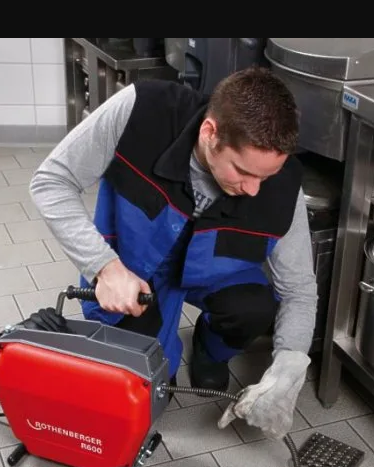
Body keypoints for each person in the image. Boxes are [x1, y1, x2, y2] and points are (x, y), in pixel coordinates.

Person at [29, 67, 318, 440]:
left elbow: (298, 288)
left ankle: (209, 350)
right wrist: (104, 268)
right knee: (149, 385)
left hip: (213, 270)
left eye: (266, 176)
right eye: (243, 171)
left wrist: (290, 363)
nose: (253, 190)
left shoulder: (283, 185)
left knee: (254, 307)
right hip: (134, 269)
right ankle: (155, 348)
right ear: (210, 133)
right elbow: (51, 181)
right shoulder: (141, 111)